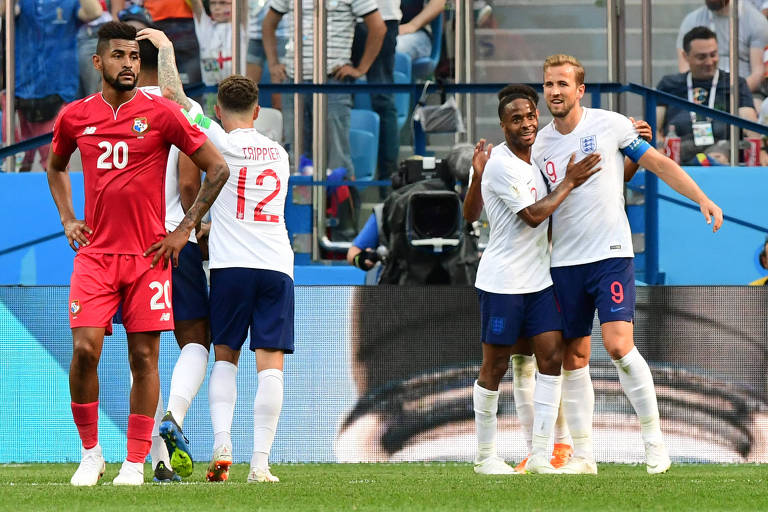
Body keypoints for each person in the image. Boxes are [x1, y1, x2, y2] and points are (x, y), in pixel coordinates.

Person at [46, 21, 229, 486]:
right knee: (85, 350)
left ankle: (133, 463)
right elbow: (55, 166)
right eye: (119, 56)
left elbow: (217, 168)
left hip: (149, 258)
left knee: (144, 359)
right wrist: (68, 219)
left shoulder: (163, 112)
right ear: (99, 62)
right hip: (95, 257)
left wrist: (184, 230)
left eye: (134, 57)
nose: (128, 64)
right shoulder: (74, 116)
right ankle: (91, 455)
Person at [532, 54, 722, 475]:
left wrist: (702, 199)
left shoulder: (610, 125)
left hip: (611, 255)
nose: (555, 92)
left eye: (563, 84)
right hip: (564, 262)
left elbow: (657, 164)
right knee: (574, 357)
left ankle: (655, 444)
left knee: (618, 346)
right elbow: (549, 203)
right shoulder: (541, 144)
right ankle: (584, 456)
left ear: (580, 90)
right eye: (548, 84)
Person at [162, 74, 293, 483]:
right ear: (257, 112)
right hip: (276, 265)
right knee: (270, 366)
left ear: (218, 110)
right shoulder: (279, 153)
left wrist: (165, 47)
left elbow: (177, 99)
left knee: (225, 357)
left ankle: (222, 445)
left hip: (230, 266)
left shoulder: (217, 139)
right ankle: (261, 464)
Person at [470, 85, 602, 475]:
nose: (527, 124)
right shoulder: (501, 163)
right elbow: (532, 215)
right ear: (502, 124)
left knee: (551, 358)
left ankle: (542, 454)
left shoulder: (536, 158)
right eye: (517, 119)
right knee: (494, 366)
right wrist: (570, 182)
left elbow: (470, 213)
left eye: (530, 116)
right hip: (503, 283)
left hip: (540, 282)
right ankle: (485, 457)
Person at [132, 26, 212, 483]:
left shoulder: (113, 110)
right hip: (171, 239)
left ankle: (145, 457)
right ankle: (170, 424)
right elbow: (187, 182)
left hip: (126, 244)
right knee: (194, 340)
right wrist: (191, 228)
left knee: (142, 353)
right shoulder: (183, 109)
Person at [263, 0, 386, 172]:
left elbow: (378, 27)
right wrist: (273, 63)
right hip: (293, 80)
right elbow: (268, 23)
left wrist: (361, 69)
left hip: (332, 81)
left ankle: (339, 198)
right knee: (297, 157)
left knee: (337, 155)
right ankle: (303, 199)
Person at [1, 0, 103, 172]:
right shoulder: (21, 3)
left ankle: (55, 199)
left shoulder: (69, 3)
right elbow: (4, 11)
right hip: (20, 93)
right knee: (15, 165)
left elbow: (94, 12)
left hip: (57, 91)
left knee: (55, 166)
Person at [659, 26, 759, 164]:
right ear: (685, 56)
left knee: (717, 157)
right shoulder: (669, 84)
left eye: (713, 55)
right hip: (678, 153)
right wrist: (658, 149)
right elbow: (654, 127)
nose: (709, 62)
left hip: (720, 151)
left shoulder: (734, 84)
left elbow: (750, 123)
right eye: (701, 57)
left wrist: (762, 150)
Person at [351, 0, 401, 190]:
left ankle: (389, 183)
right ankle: (345, 183)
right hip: (340, 18)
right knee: (337, 102)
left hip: (382, 17)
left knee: (383, 100)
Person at [676, 0, 768, 101]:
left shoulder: (756, 21)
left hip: (745, 93)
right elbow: (684, 67)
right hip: (699, 92)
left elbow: (758, 72)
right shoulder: (691, 20)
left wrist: (730, 94)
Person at [189, 0, 248, 116]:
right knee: (210, 125)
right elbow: (196, 4)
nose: (217, 8)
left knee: (235, 125)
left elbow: (244, 5)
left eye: (223, 3)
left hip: (237, 92)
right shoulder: (205, 28)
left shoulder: (240, 26)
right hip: (211, 93)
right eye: (213, 3)